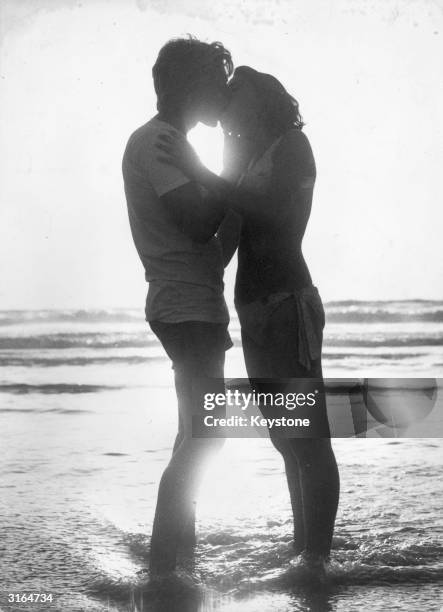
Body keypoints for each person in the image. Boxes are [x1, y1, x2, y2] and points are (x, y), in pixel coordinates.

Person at [157, 66, 340, 579]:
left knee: (309, 437)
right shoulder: (239, 156)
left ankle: (317, 559)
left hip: (287, 301)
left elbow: (273, 213)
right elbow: (228, 235)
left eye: (234, 94)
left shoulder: (291, 145)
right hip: (251, 308)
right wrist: (187, 281)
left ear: (259, 99)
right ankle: (302, 553)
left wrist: (201, 172)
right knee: (286, 436)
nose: (224, 105)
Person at [122, 36, 234, 576]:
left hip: (189, 304)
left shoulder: (167, 141)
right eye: (214, 81)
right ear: (189, 86)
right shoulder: (159, 143)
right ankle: (165, 568)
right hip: (185, 307)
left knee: (194, 431)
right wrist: (220, 179)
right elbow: (196, 224)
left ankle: (174, 558)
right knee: (205, 435)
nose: (222, 92)